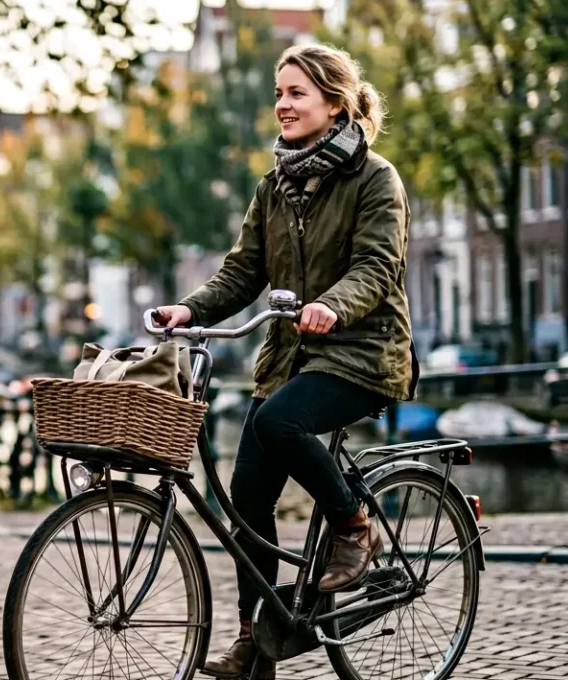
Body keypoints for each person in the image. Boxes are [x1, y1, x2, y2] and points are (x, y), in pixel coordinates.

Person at [154, 44, 417, 680]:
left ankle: (355, 525)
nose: (282, 105)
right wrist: (189, 310)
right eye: (279, 92)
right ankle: (254, 643)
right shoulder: (275, 184)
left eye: (297, 93)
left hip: (364, 351)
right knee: (247, 501)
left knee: (278, 424)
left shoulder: (375, 178)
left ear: (335, 103)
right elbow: (244, 269)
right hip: (291, 357)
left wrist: (332, 305)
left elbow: (377, 268)